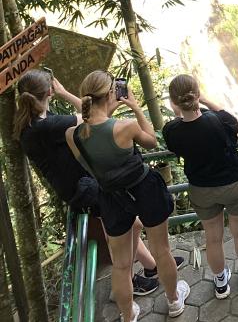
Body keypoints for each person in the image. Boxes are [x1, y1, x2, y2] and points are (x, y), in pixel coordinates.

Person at [14, 69, 180, 298]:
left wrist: (68, 95)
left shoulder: (35, 121)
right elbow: (92, 119)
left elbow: (89, 117)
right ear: (49, 92)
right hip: (84, 188)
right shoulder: (44, 127)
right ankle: (130, 281)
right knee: (122, 237)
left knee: (134, 226)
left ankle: (152, 266)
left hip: (82, 182)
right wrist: (118, 107)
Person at [65, 71, 190, 321]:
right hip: (143, 188)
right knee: (162, 250)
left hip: (111, 197)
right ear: (112, 93)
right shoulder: (125, 127)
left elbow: (89, 166)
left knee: (121, 265)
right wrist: (136, 108)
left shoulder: (73, 135)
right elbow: (152, 142)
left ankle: (128, 315)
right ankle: (174, 301)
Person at [163, 75, 238, 299]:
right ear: (197, 96)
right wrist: (204, 100)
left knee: (212, 238)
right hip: (234, 183)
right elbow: (230, 119)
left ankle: (221, 283)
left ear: (174, 102)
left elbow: (180, 130)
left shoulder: (171, 131)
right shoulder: (218, 121)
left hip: (202, 189)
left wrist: (180, 110)